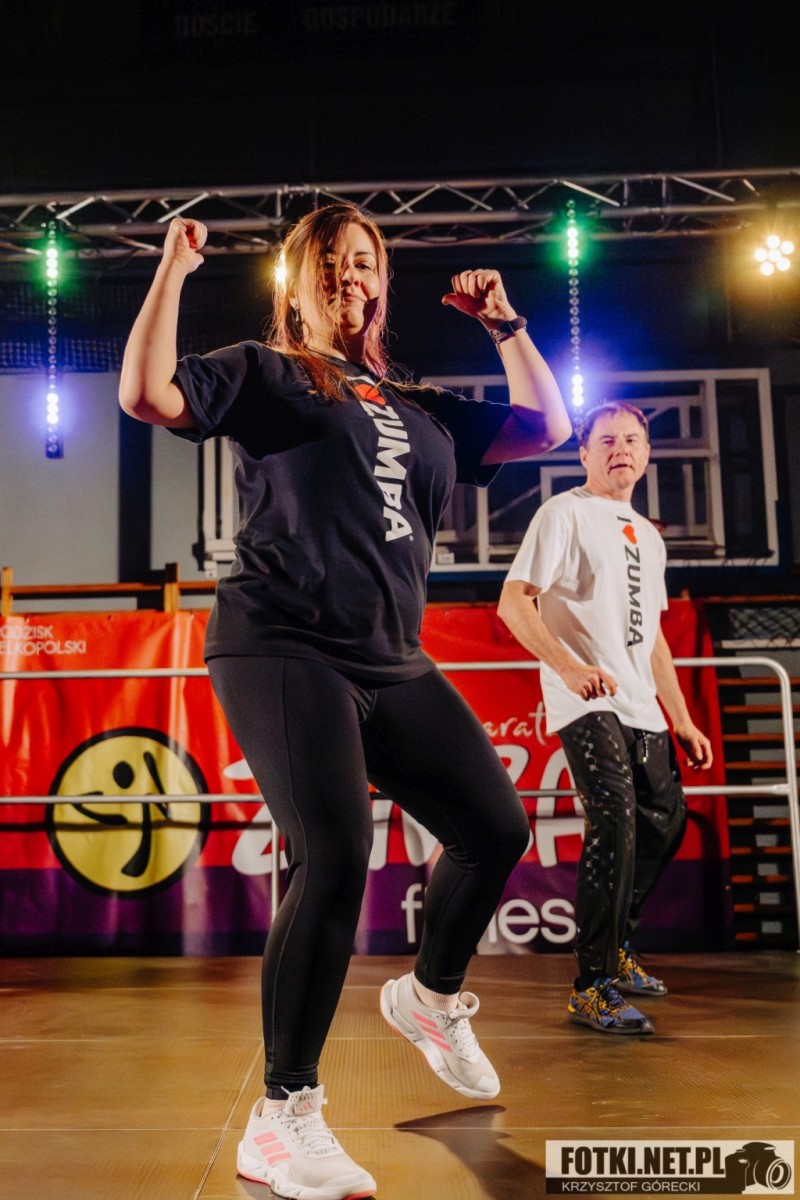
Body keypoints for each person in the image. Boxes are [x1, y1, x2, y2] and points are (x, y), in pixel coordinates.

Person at [118, 201, 572, 1200]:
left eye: (363, 259)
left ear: (382, 279)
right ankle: (283, 1117)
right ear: (296, 283)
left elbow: (547, 428)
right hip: (281, 641)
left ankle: (430, 996)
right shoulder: (267, 372)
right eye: (328, 262)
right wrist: (173, 272)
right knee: (332, 854)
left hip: (390, 657)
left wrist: (506, 328)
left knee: (495, 829)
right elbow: (147, 395)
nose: (348, 275)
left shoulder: (417, 402)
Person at [497, 400, 714, 1037]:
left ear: (646, 453)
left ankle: (616, 946)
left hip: (641, 702)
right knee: (614, 819)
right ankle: (592, 985)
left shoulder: (648, 534)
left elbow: (653, 639)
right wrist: (567, 667)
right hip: (586, 698)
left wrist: (683, 719)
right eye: (607, 441)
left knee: (666, 823)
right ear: (585, 453)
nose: (620, 449)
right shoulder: (563, 513)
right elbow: (514, 603)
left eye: (631, 440)